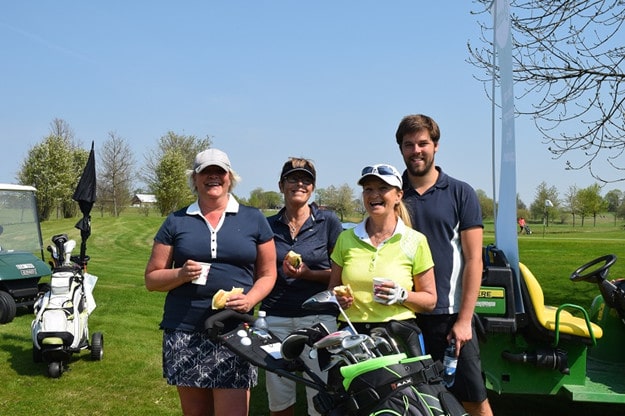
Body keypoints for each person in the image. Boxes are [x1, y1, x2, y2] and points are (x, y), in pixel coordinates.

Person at [144, 148, 277, 416]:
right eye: (206, 172)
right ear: (195, 179)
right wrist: (180, 274)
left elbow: (268, 273)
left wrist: (250, 299)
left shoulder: (253, 218)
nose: (213, 177)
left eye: (220, 172)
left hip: (235, 329)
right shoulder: (177, 220)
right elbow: (152, 279)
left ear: (230, 177)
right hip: (185, 329)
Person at [395, 114, 494, 416]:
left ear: (436, 146)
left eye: (423, 143)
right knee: (415, 401)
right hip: (404, 314)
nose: (416, 150)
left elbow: (474, 260)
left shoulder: (461, 193)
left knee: (473, 398)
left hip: (449, 317)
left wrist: (465, 321)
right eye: (409, 144)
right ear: (401, 149)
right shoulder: (392, 193)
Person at [262, 157, 343, 416]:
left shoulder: (328, 222)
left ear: (313, 187)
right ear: (281, 185)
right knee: (279, 399)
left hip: (318, 318)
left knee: (320, 397)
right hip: (276, 317)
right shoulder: (267, 225)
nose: (300, 184)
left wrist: (308, 273)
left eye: (306, 180)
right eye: (293, 178)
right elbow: (259, 270)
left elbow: (339, 273)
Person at [329, 163, 437, 335]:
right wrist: (337, 299)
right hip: (352, 333)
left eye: (383, 188)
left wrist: (402, 295)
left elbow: (430, 301)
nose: (374, 195)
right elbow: (332, 289)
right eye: (368, 189)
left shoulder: (415, 240)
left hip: (398, 332)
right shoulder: (345, 238)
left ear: (398, 196)